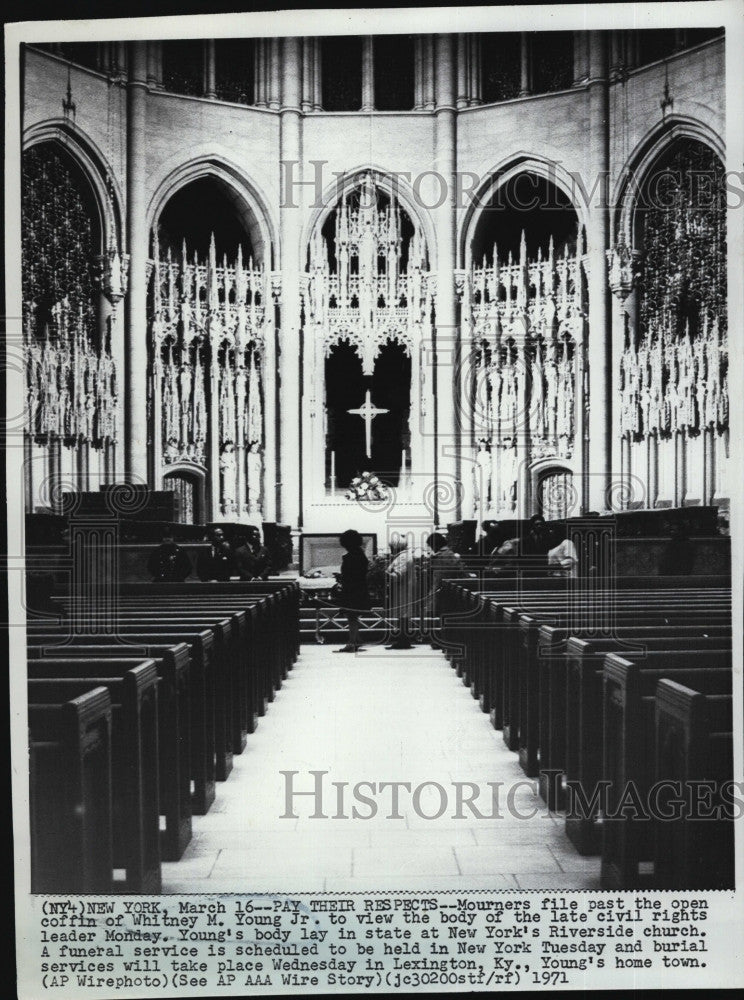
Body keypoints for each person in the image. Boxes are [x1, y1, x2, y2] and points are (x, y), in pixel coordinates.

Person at [333, 529, 371, 653]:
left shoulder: (351, 557)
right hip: (359, 589)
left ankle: (351, 643)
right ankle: (357, 639)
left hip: (352, 590)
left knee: (351, 616)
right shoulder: (361, 555)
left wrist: (341, 578)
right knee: (353, 616)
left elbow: (350, 575)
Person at [385, 534, 422, 649]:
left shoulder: (402, 557)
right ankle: (403, 640)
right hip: (404, 590)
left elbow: (398, 575)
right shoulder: (404, 556)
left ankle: (403, 640)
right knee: (403, 617)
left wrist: (386, 574)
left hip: (403, 590)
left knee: (403, 617)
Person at [424, 532, 462, 620]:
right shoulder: (452, 554)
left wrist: (430, 603)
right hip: (453, 593)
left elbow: (438, 580)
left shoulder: (440, 557)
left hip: (440, 595)